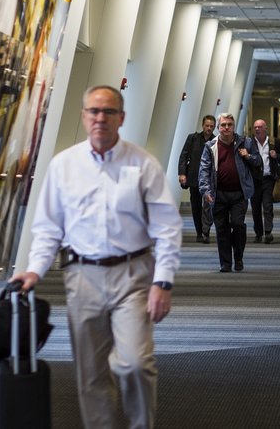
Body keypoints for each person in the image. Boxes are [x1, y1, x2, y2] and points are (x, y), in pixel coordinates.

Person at [10, 84, 181, 429]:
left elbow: (167, 227)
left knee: (134, 362)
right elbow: (48, 227)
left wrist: (163, 281)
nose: (100, 118)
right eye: (93, 111)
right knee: (90, 373)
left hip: (133, 275)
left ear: (122, 118)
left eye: (108, 112)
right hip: (81, 277)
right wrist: (34, 270)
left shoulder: (142, 164)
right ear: (84, 116)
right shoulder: (64, 166)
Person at [198, 112, 261, 272]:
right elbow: (204, 169)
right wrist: (206, 191)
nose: (226, 127)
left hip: (239, 193)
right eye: (223, 125)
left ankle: (238, 257)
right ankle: (225, 263)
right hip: (218, 194)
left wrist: (248, 156)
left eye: (229, 125)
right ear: (218, 128)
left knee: (238, 225)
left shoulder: (245, 142)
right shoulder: (210, 146)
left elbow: (258, 161)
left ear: (234, 127)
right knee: (222, 229)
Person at [178, 114, 216, 243]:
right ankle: (199, 231)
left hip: (209, 179)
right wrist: (182, 174)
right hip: (194, 177)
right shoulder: (193, 138)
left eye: (211, 126)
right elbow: (183, 156)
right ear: (202, 125)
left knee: (208, 206)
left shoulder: (216, 141)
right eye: (207, 126)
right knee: (196, 206)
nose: (209, 128)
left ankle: (206, 231)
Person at [250, 119, 280, 244]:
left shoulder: (274, 142)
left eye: (259, 127)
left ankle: (268, 232)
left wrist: (276, 156)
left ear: (265, 128)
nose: (257, 129)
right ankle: (258, 233)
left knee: (267, 206)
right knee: (255, 209)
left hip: (268, 179)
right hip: (254, 180)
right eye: (255, 127)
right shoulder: (250, 143)